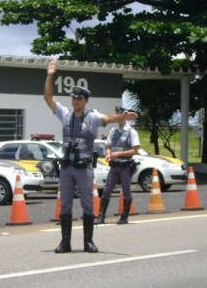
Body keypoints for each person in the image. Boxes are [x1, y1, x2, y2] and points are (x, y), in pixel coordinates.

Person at [44, 59, 138, 253]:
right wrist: (50, 75)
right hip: (67, 167)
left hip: (84, 168)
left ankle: (88, 242)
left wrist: (121, 117)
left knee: (88, 204)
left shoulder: (92, 117)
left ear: (86, 100)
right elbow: (48, 98)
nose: (75, 101)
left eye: (79, 98)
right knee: (65, 206)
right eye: (73, 98)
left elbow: (107, 118)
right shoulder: (65, 114)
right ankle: (65, 242)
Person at [95, 107, 140, 225]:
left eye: (121, 116)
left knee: (126, 190)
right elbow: (109, 146)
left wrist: (119, 154)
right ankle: (101, 216)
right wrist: (109, 154)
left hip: (125, 166)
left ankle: (124, 217)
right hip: (114, 166)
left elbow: (135, 150)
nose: (119, 118)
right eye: (117, 115)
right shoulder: (113, 131)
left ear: (125, 118)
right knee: (107, 190)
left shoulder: (131, 132)